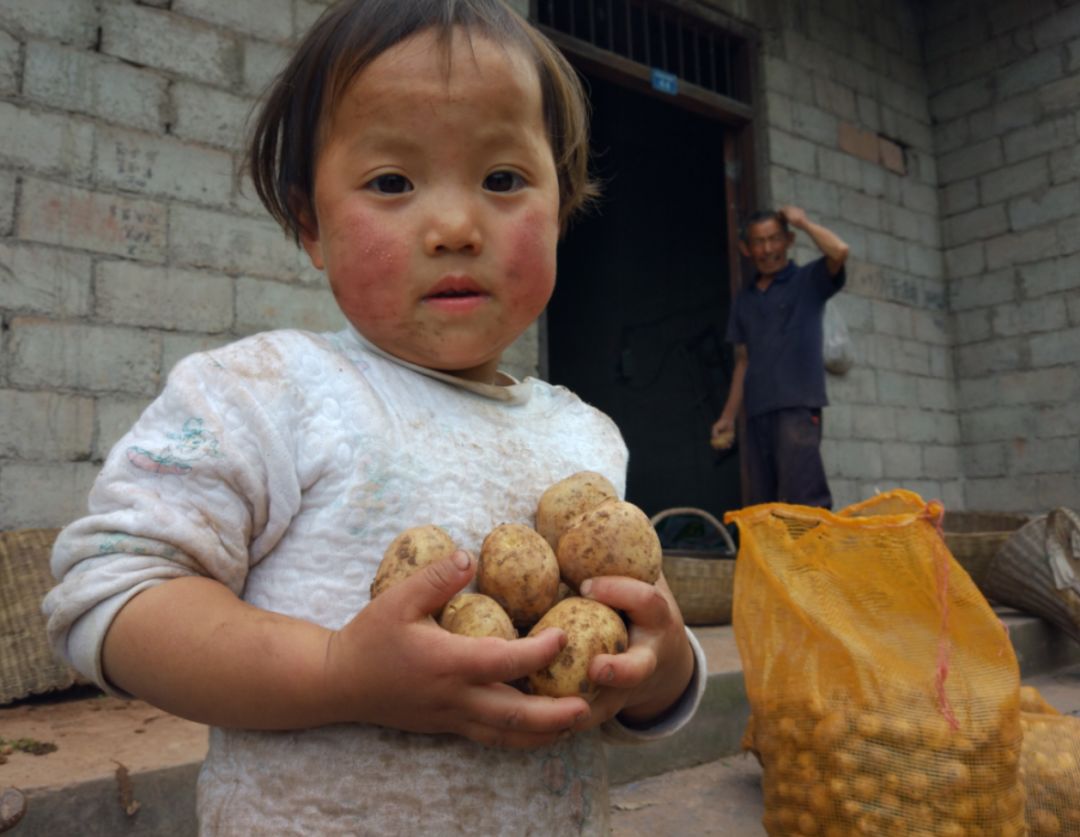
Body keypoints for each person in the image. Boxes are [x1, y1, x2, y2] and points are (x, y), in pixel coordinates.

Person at [43, 1, 704, 834]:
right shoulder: (265, 392)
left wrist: (663, 668)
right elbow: (110, 598)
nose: (457, 227)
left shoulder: (587, 440)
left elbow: (643, 643)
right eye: (393, 182)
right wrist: (338, 672)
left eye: (504, 180)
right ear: (311, 223)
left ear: (562, 209)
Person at [710, 205, 849, 509]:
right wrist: (728, 417)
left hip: (797, 409)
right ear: (746, 248)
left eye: (774, 239)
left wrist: (804, 221)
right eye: (758, 241)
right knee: (764, 505)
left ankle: (813, 556)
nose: (767, 249)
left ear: (789, 240)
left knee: (805, 498)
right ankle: (778, 559)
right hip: (758, 412)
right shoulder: (744, 300)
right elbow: (743, 361)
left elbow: (839, 251)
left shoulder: (808, 280)